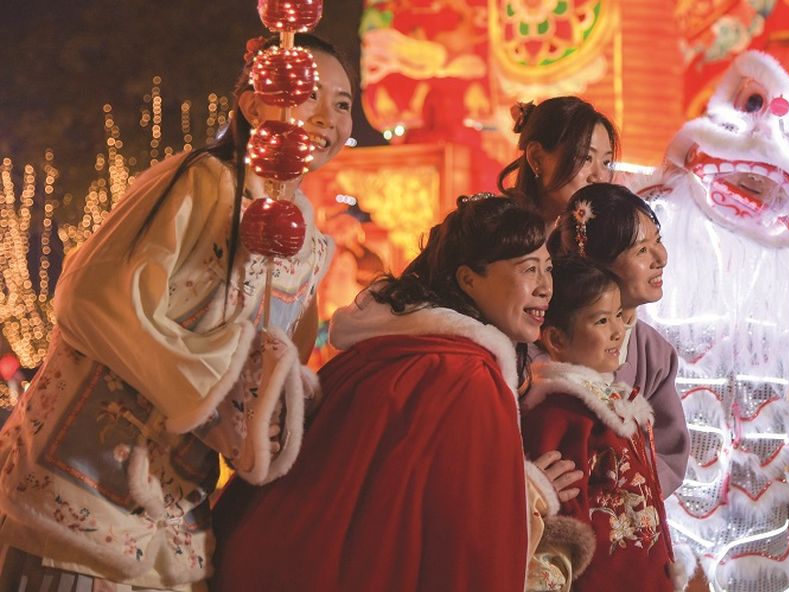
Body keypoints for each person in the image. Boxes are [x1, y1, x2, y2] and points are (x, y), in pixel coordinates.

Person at [0, 34, 356, 591]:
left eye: (342, 102)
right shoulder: (201, 181)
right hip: (82, 484)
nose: (327, 116)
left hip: (179, 508)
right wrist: (212, 389)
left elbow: (280, 363)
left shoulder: (310, 239)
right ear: (254, 103)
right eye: (307, 92)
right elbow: (94, 298)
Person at [211, 195, 589, 592]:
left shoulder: (387, 349)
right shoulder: (469, 377)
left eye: (548, 269)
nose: (546, 287)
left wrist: (519, 482)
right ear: (468, 279)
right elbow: (469, 545)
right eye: (529, 269)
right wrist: (524, 493)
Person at [523, 257, 680, 592]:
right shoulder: (560, 415)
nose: (618, 330)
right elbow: (562, 523)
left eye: (620, 317)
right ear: (557, 340)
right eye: (602, 320)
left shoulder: (616, 405)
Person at [548, 183, 689, 497]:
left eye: (659, 240)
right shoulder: (546, 340)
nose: (661, 257)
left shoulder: (655, 354)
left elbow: (669, 453)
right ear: (597, 265)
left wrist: (626, 499)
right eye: (641, 250)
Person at [498, 97, 616, 226]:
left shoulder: (600, 236)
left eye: (606, 163)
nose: (599, 178)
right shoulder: (491, 230)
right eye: (586, 158)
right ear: (537, 158)